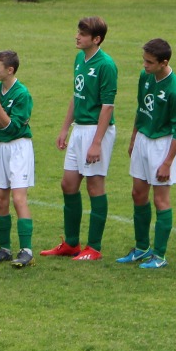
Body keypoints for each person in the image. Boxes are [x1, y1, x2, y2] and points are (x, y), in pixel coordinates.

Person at [42, 16, 118, 261]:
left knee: (95, 186)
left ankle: (93, 248)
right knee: (68, 184)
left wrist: (97, 142)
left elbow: (107, 107)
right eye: (78, 32)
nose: (77, 36)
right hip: (79, 129)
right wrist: (65, 128)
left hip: (97, 130)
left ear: (96, 39)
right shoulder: (79, 59)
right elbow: (76, 95)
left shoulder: (106, 65)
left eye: (83, 34)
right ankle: (72, 244)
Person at [117, 39, 176, 271]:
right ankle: (141, 248)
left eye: (149, 62)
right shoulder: (145, 77)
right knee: (138, 193)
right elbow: (141, 109)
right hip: (143, 140)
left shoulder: (175, 90)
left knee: (160, 200)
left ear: (163, 63)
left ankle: (160, 255)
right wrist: (133, 139)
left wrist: (168, 162)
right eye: (144, 60)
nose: (144, 65)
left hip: (162, 145)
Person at [0, 50, 35, 269]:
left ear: (9, 70)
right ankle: (4, 249)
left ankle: (26, 250)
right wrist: (0, 120)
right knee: (0, 198)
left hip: (18, 148)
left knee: (19, 198)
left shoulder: (22, 94)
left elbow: (13, 126)